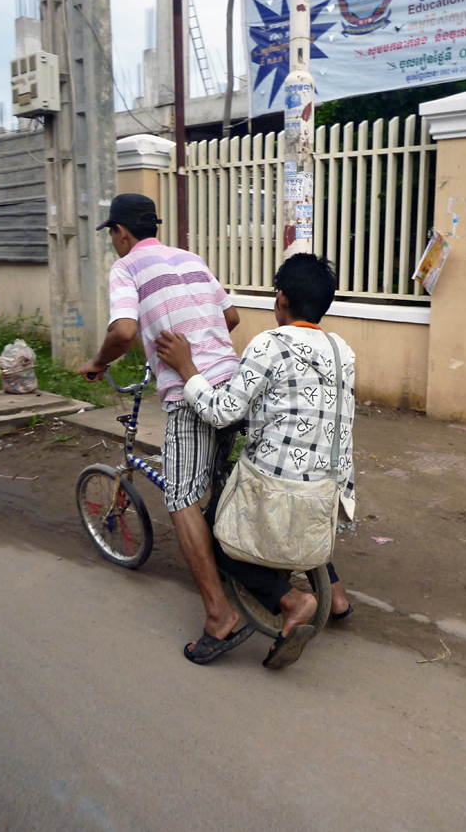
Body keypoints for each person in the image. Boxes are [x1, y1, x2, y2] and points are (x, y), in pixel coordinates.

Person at [156, 253, 356, 669]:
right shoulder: (343, 352)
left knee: (219, 537)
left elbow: (223, 412)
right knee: (300, 484)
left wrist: (186, 367)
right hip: (326, 494)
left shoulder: (269, 343)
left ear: (281, 298)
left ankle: (293, 602)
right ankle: (335, 596)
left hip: (275, 490)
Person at [79, 193, 255, 664]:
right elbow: (232, 316)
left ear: (120, 232)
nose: (114, 242)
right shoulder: (190, 258)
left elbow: (122, 332)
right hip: (233, 386)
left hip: (190, 394)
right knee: (213, 487)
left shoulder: (127, 268)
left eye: (113, 234)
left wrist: (97, 363)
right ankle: (243, 572)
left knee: (180, 499)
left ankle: (219, 616)